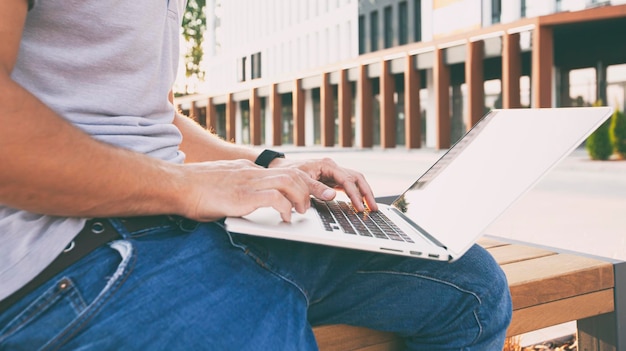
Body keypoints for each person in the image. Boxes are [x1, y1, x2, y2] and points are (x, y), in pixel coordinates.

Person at [0, 0, 512, 349]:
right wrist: (186, 186)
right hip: (66, 250)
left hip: (181, 219)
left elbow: (141, 112)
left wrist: (267, 165)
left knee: (471, 285)